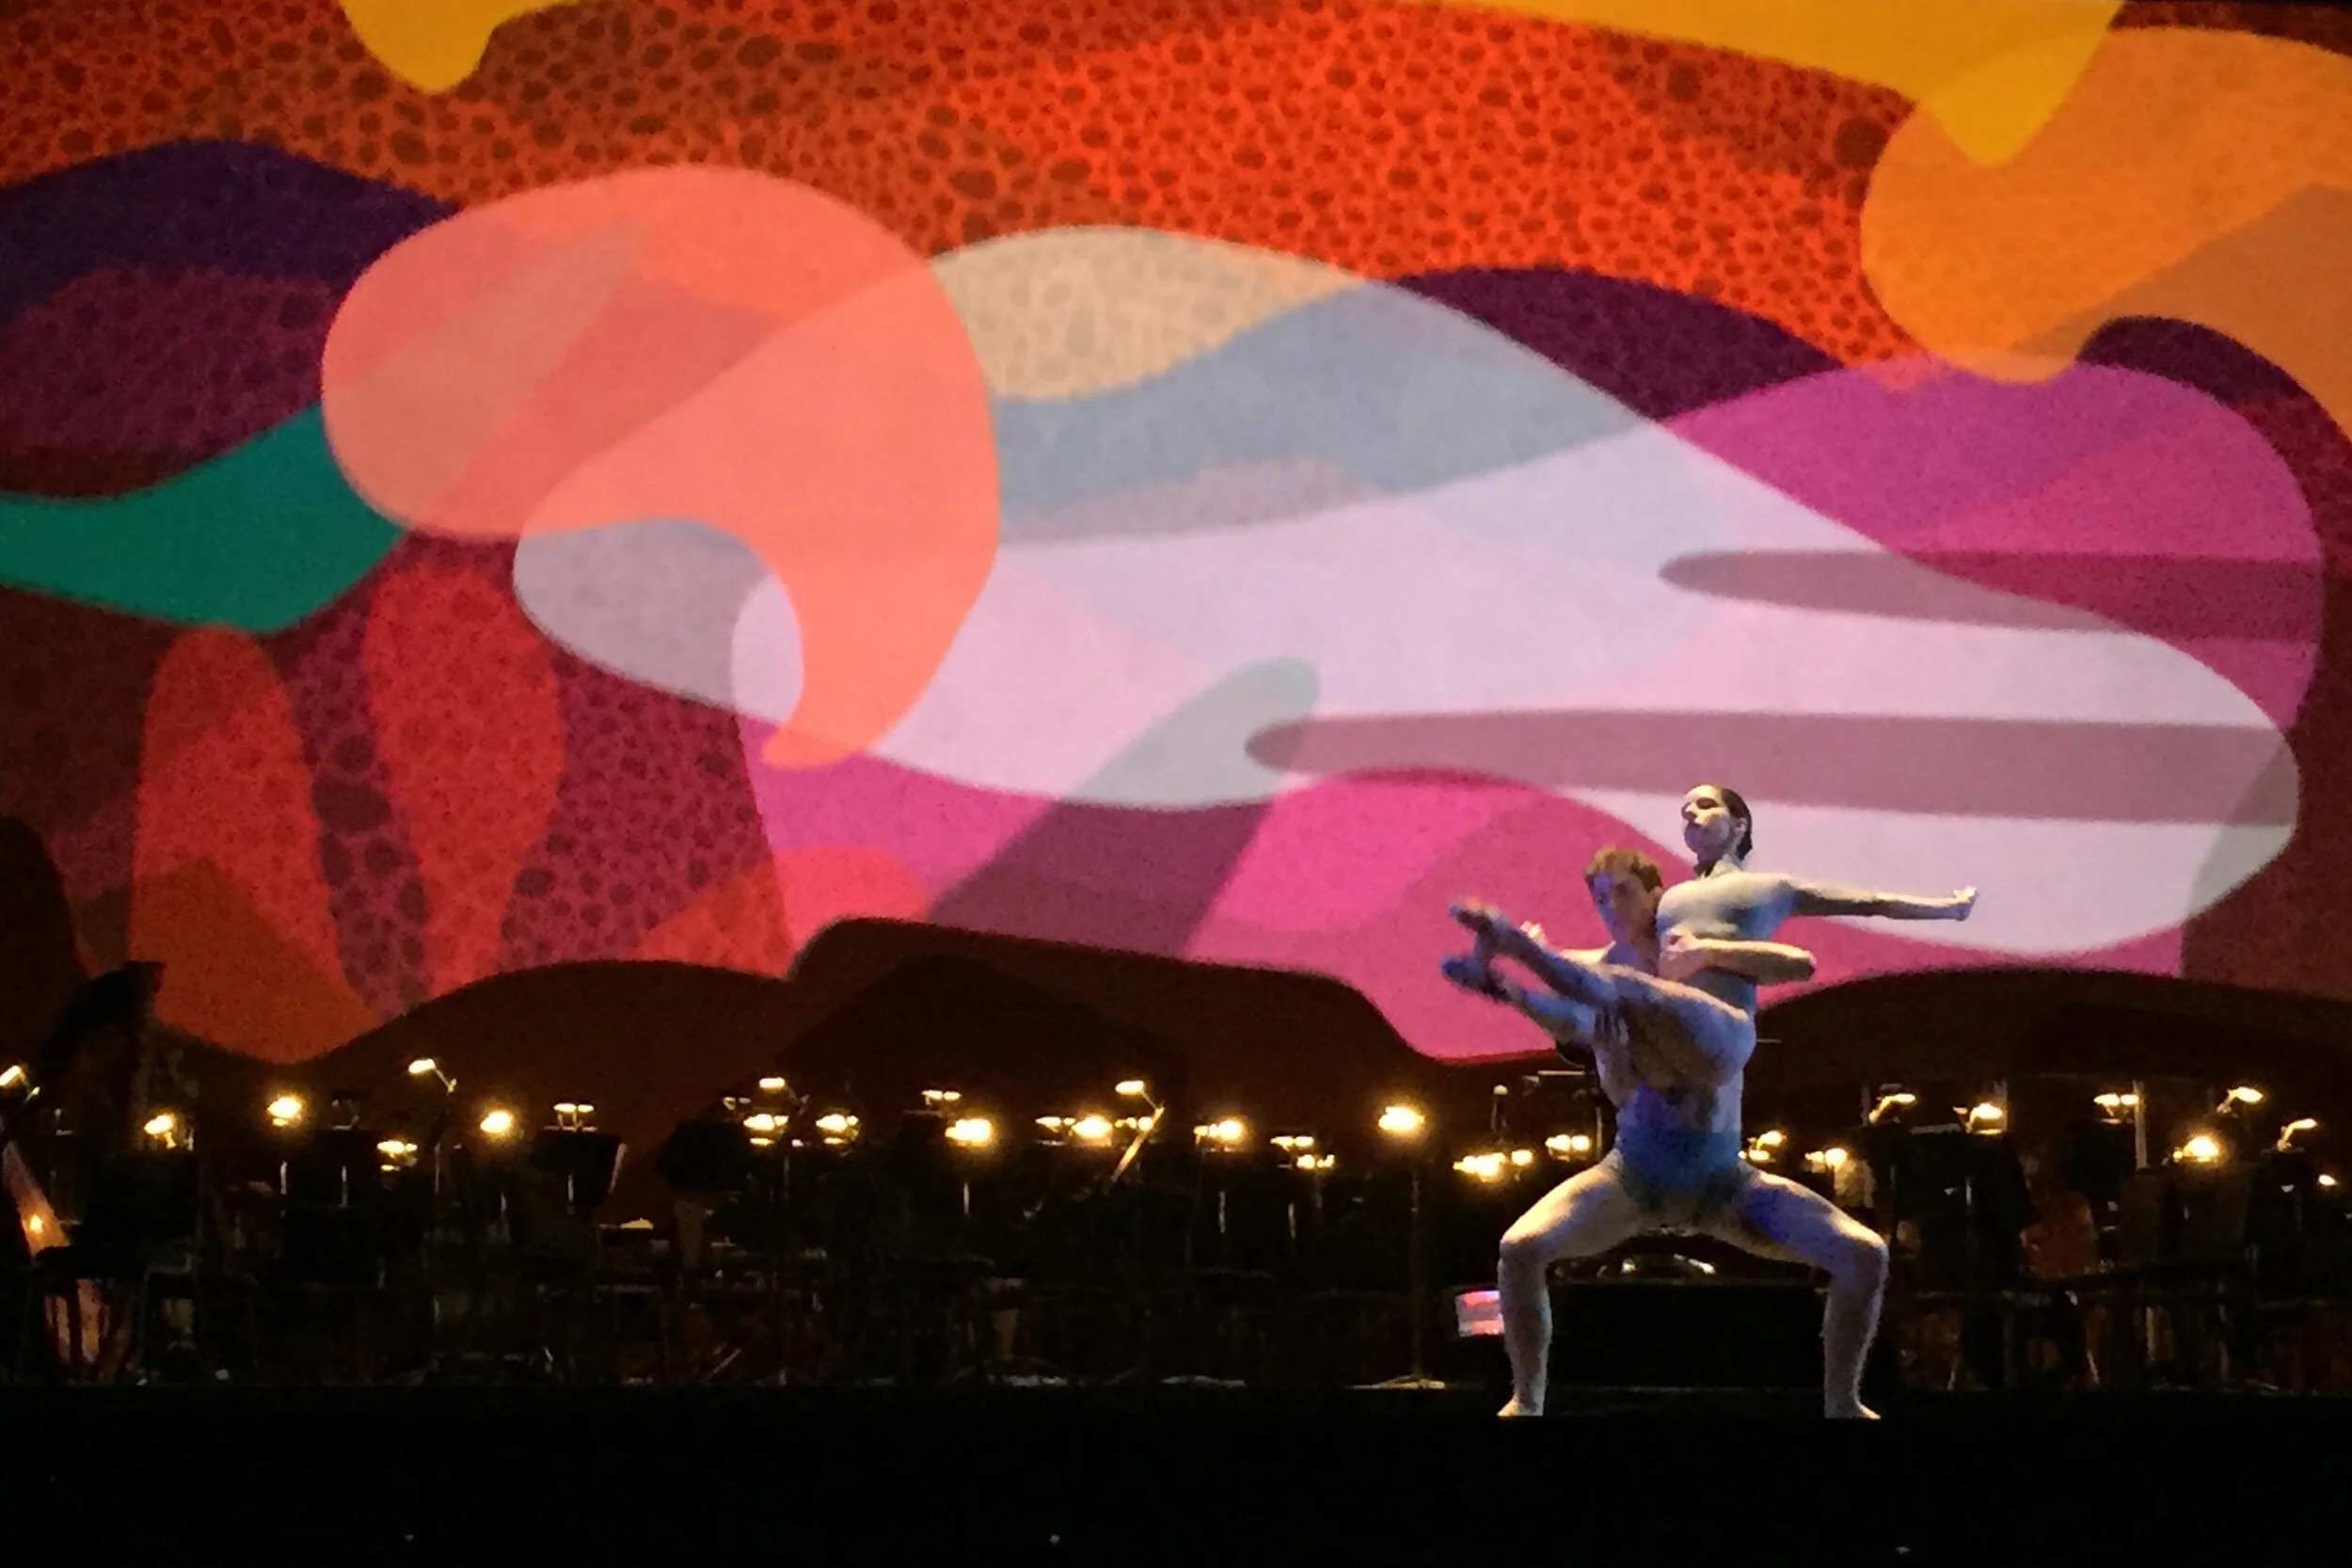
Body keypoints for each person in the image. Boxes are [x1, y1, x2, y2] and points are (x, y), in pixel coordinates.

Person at [1444, 784, 1977, 1418]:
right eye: (1601, 899)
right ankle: (1527, 1400)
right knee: (1519, 1248)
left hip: (1723, 1181)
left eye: (1624, 894)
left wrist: (1944, 910)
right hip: (1636, 1174)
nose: (1611, 909)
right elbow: (1577, 1021)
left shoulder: (1697, 957)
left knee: (1865, 1254)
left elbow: (1799, 959)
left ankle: (1843, 1403)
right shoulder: (1607, 969)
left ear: (1659, 898)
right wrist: (1507, 974)